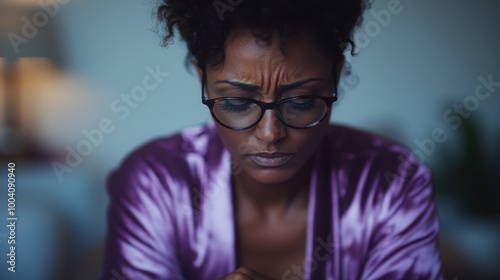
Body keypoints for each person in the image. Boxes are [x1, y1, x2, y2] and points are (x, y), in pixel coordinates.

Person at [99, 0, 442, 279]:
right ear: (203, 80)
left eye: (301, 101)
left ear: (335, 76)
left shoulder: (392, 181)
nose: (270, 134)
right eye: (237, 102)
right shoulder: (153, 183)